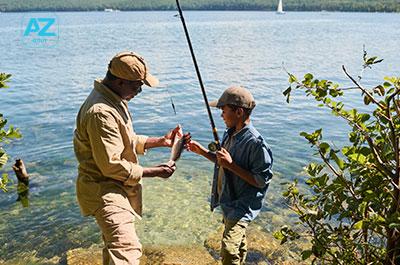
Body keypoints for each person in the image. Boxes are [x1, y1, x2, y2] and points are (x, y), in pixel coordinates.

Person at [73, 51, 180, 265]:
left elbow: (125, 141)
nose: (140, 91)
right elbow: (111, 166)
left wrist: (160, 141)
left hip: (114, 186)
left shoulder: (113, 98)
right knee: (126, 249)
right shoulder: (101, 112)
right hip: (104, 190)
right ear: (120, 81)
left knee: (115, 247)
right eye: (137, 86)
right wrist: (156, 172)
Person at [187, 86, 273, 265]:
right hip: (228, 200)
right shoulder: (230, 133)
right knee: (238, 244)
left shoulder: (257, 144)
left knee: (228, 249)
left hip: (242, 205)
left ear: (239, 112)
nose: (221, 116)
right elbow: (223, 164)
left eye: (224, 111)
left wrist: (231, 165)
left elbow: (261, 180)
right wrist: (202, 151)